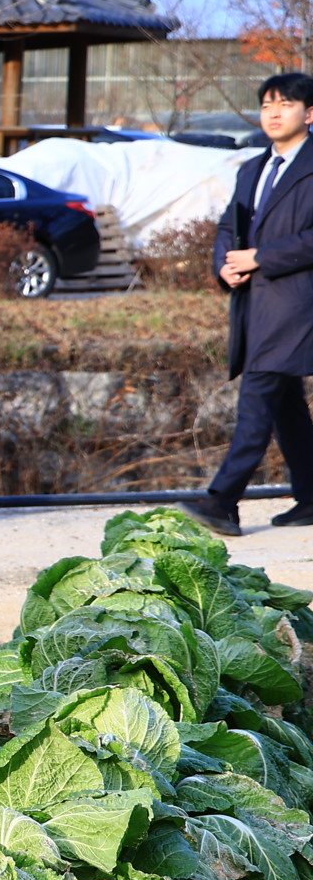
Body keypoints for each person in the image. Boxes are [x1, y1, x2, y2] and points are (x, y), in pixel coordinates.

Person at [181, 72, 313, 537]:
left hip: (298, 305)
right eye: (267, 106)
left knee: (258, 397)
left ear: (310, 113)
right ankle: (312, 496)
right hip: (255, 302)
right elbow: (226, 228)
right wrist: (225, 265)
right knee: (285, 404)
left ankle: (223, 500)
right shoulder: (252, 169)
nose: (274, 113)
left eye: (286, 104)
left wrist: (262, 257)